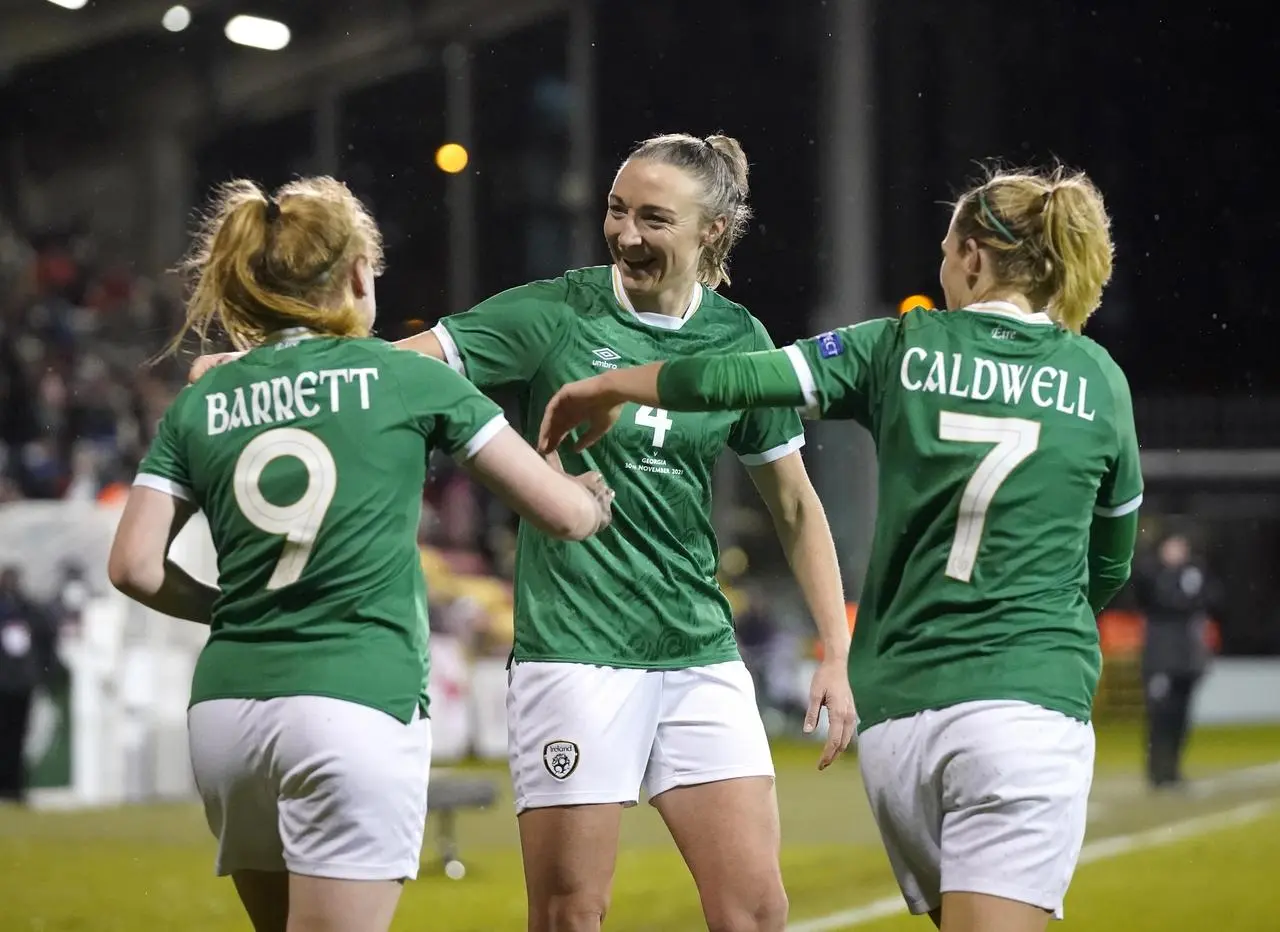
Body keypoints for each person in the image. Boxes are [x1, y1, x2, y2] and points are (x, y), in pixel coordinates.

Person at [192, 132, 854, 932]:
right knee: (571, 913)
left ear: (712, 230)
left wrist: (836, 650)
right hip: (573, 653)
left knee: (756, 912)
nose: (627, 233)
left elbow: (793, 506)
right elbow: (396, 365)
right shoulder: (552, 311)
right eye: (616, 210)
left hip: (697, 653)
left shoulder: (739, 340)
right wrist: (272, 366)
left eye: (654, 218)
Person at [539, 164, 1142, 932]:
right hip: (1024, 706)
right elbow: (1112, 561)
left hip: (901, 721)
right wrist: (1041, 626)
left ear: (974, 259)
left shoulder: (899, 346)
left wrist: (619, 383)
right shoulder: (1097, 379)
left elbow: (736, 379)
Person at [108, 176, 614, 932]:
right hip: (352, 701)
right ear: (353, 276)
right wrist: (594, 492)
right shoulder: (411, 380)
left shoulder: (202, 400)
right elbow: (564, 515)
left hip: (226, 714)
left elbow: (134, 566)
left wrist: (232, 609)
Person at [1134, 528, 1215, 789]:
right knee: (1160, 716)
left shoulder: (1195, 572)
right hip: (1160, 658)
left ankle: (1173, 769)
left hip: (1188, 658)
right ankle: (1157, 771)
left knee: (1181, 717)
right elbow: (1154, 598)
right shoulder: (1152, 573)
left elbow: (1211, 600)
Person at [0, 566, 61, 803]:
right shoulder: (27, 611)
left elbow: (47, 642)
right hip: (10, 684)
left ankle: (13, 787)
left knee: (17, 737)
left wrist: (44, 673)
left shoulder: (30, 612)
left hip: (20, 686)